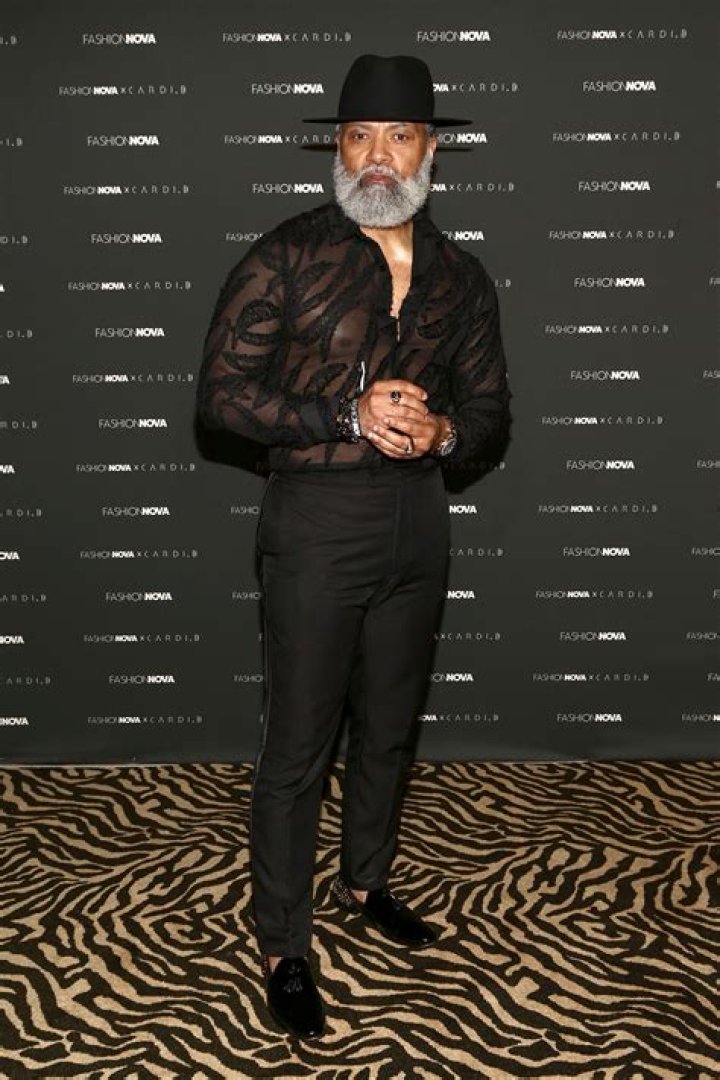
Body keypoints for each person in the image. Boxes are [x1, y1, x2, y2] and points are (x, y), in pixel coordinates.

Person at [196, 54, 512, 1040]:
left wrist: (445, 433)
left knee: (389, 727)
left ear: (430, 152)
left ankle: (367, 880)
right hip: (317, 522)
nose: (379, 155)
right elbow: (220, 399)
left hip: (419, 519)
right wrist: (346, 412)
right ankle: (283, 944)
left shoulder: (463, 276)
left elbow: (492, 412)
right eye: (359, 135)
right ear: (337, 147)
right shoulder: (287, 255)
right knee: (299, 744)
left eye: (399, 136)